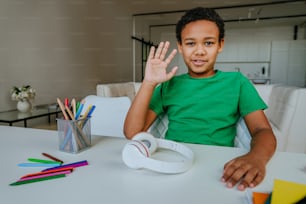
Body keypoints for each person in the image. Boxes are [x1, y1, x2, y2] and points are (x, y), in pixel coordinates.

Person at [124, 7, 276, 191]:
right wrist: (148, 82)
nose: (199, 51)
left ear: (220, 45)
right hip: (172, 160)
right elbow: (132, 132)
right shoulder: (168, 84)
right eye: (190, 43)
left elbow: (262, 130)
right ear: (180, 46)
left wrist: (257, 157)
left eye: (209, 43)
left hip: (219, 165)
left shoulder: (237, 82)